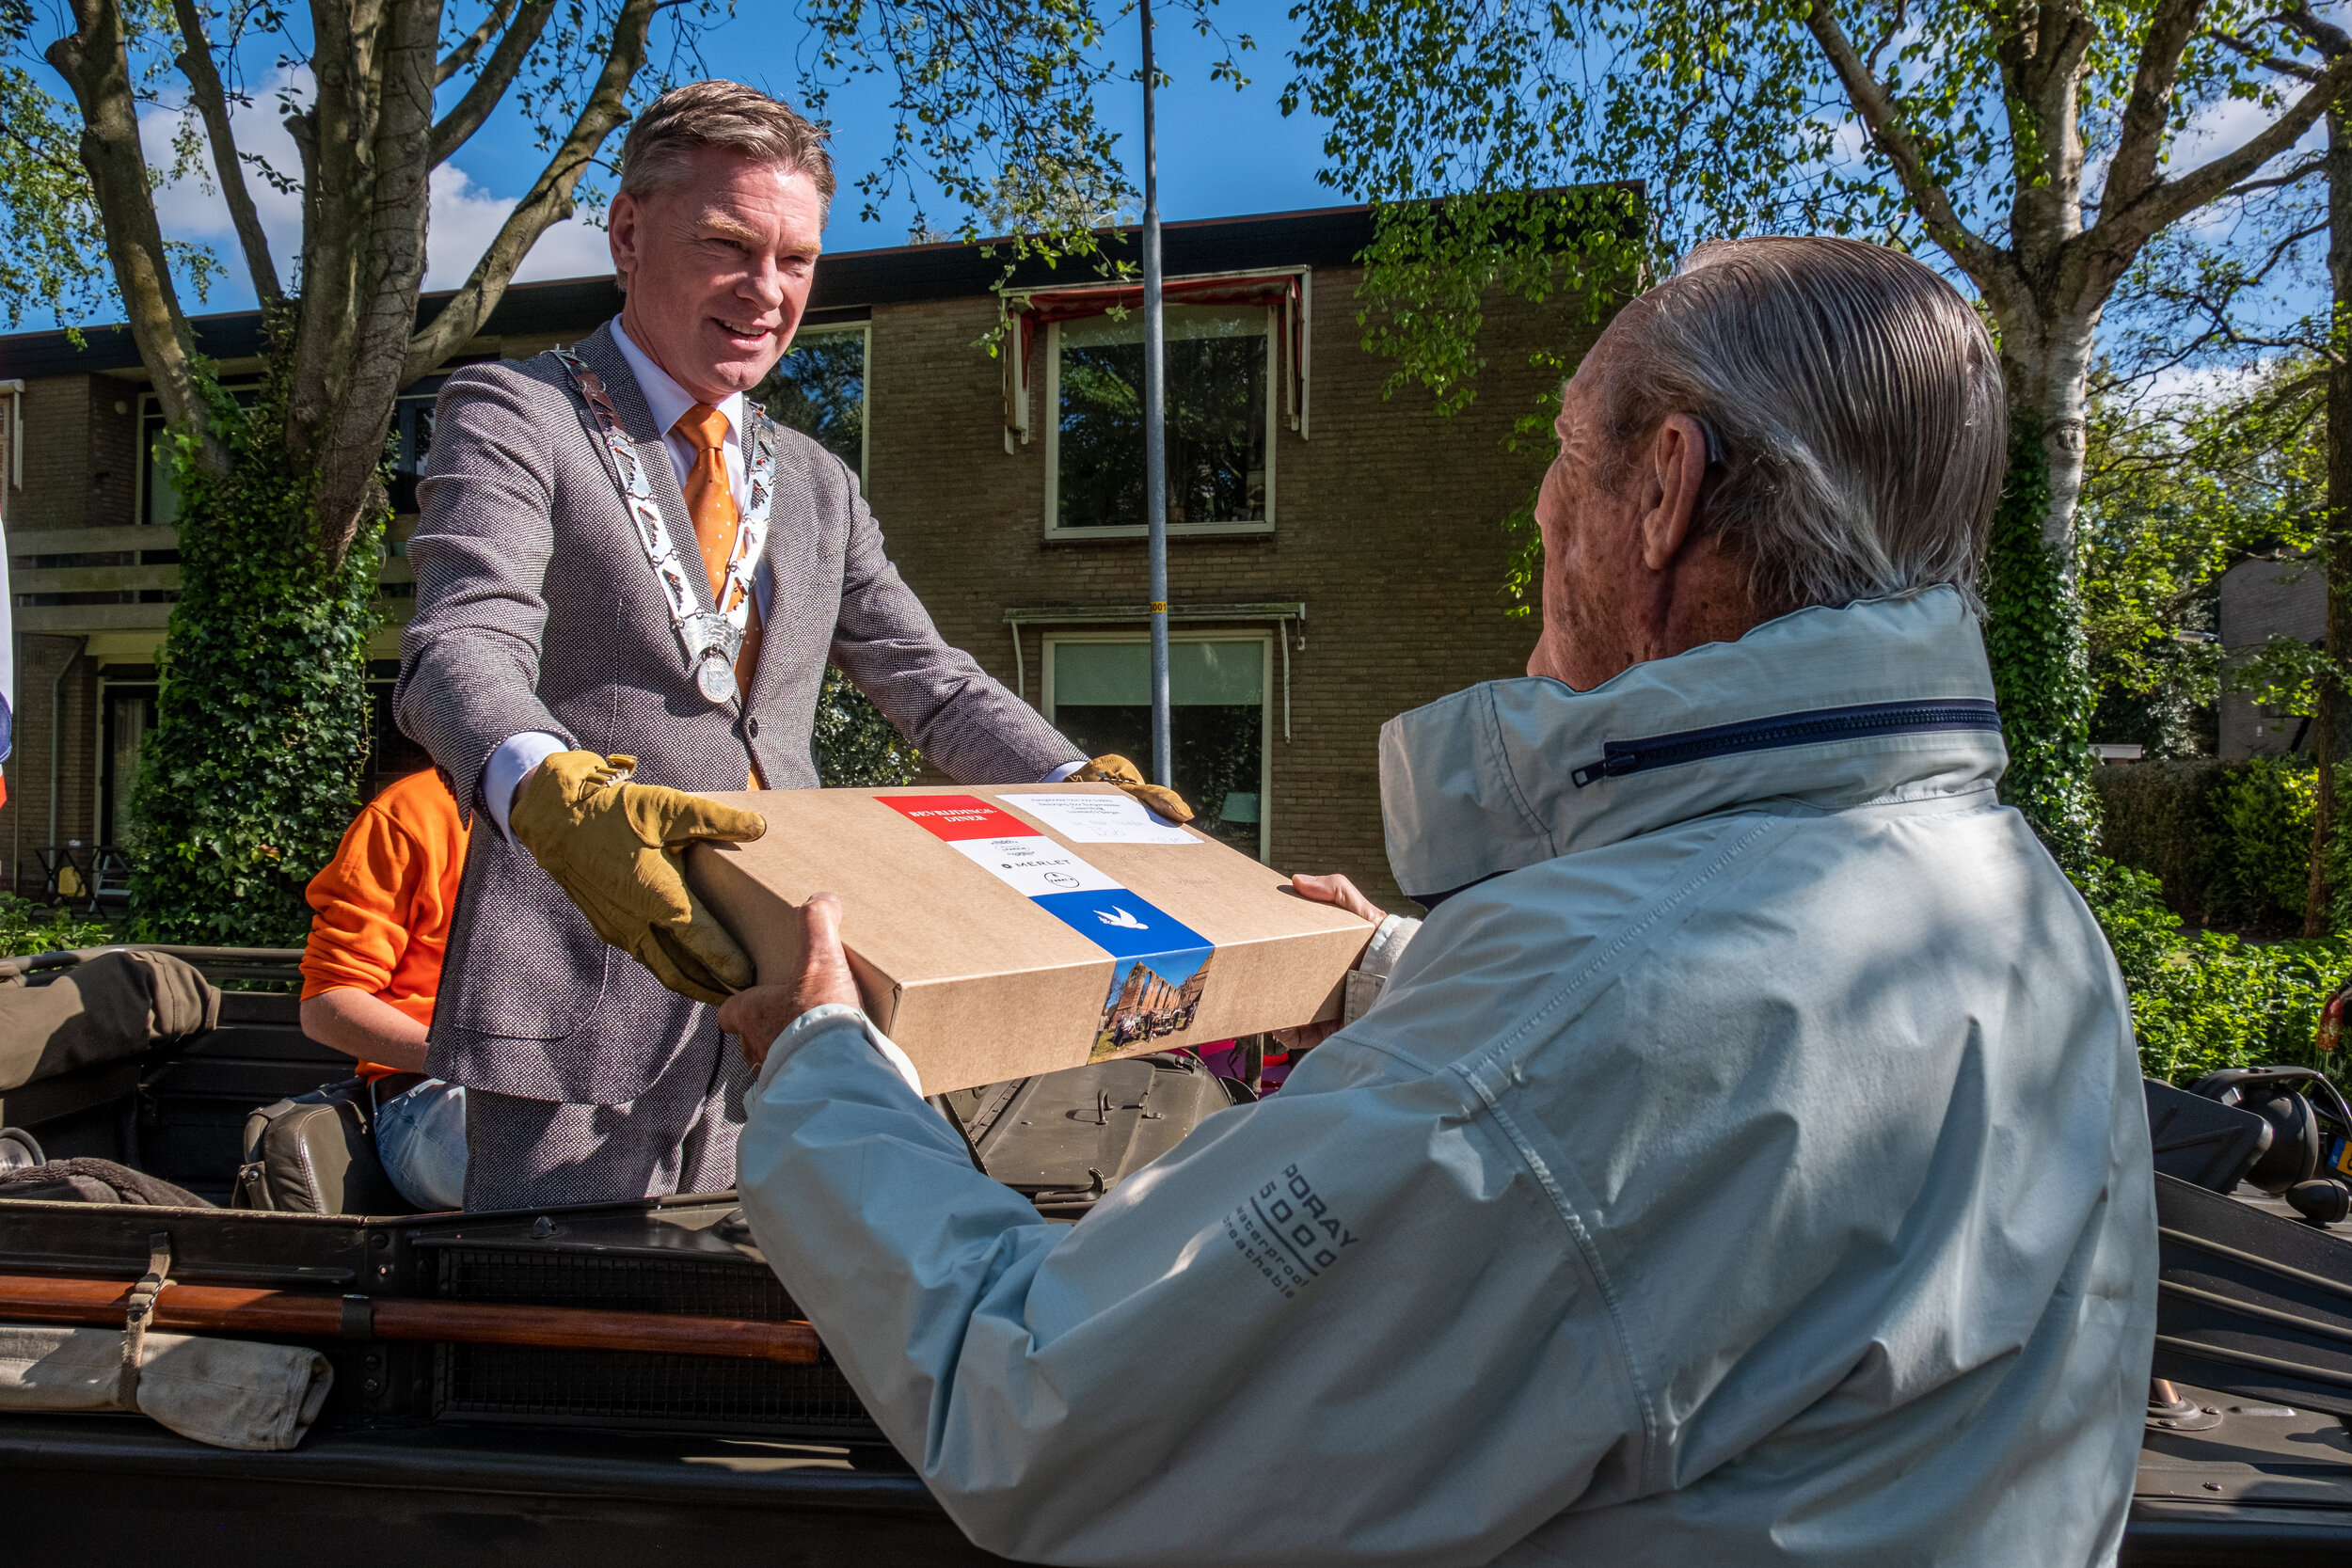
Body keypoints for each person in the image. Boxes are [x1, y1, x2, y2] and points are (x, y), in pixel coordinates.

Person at [719, 237, 2158, 1564]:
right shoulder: (2010, 900)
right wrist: (1402, 973)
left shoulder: (1592, 1021)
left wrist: (827, 1072)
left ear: (1664, 490)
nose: (1540, 501)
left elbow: (1044, 1398)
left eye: (1559, 448)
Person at [396, 81, 1174, 1212]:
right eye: (726, 245)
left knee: (762, 1346)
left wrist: (1074, 784)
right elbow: (460, 643)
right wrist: (558, 791)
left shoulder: (814, 480)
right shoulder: (517, 415)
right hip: (583, 995)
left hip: (791, 1001)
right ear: (626, 232)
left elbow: (933, 683)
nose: (767, 292)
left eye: (796, 260)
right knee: (571, 1344)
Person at [297, 768, 470, 1211]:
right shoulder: (415, 809)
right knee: (562, 1167)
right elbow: (328, 1001)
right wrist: (475, 1060)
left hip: (601, 1089)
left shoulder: (644, 810)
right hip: (429, 1092)